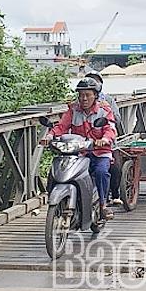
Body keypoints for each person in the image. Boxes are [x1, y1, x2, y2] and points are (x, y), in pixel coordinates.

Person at [41, 78, 117, 219]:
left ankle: (103, 205)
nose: (84, 98)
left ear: (95, 95)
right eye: (81, 95)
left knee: (101, 172)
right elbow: (62, 126)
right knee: (56, 171)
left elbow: (110, 129)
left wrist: (105, 139)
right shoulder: (73, 110)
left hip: (100, 152)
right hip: (79, 153)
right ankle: (56, 201)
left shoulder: (104, 111)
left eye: (87, 95)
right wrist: (50, 136)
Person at [84, 69, 125, 136]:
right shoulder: (81, 100)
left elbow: (117, 119)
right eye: (90, 80)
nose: (93, 83)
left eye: (96, 81)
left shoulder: (108, 99)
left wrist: (108, 110)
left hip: (105, 135)